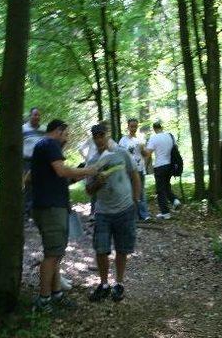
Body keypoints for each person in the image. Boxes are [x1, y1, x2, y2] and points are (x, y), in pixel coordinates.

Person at [30, 119, 97, 313]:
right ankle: (43, 300)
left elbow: (52, 177)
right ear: (58, 131)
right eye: (66, 134)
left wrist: (79, 173)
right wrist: (88, 170)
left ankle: (56, 294)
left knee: (56, 254)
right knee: (52, 255)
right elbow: (61, 171)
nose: (66, 139)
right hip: (51, 209)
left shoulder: (43, 147)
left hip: (49, 206)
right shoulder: (49, 144)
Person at [85, 124, 141, 302]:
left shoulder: (122, 153)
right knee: (101, 249)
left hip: (125, 208)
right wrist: (97, 183)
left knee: (122, 248)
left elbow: (134, 175)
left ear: (107, 135)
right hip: (103, 211)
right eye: (95, 136)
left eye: (101, 135)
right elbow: (89, 190)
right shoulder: (93, 160)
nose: (99, 139)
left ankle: (119, 283)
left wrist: (135, 200)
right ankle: (103, 284)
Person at [144, 121, 180, 219]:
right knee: (166, 186)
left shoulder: (153, 138)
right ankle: (175, 200)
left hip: (160, 166)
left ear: (154, 128)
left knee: (160, 190)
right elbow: (175, 148)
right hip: (170, 166)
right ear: (161, 127)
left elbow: (148, 153)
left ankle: (165, 213)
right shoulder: (170, 136)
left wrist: (145, 166)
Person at [118, 118, 150, 221]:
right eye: (132, 126)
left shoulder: (140, 139)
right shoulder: (123, 140)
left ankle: (144, 215)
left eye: (135, 126)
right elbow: (120, 155)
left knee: (140, 192)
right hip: (127, 170)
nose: (133, 128)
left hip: (139, 168)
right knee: (129, 192)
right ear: (128, 127)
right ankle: (133, 215)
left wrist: (143, 149)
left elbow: (146, 154)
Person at [23, 107, 45, 216]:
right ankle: (28, 210)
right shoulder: (23, 129)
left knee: (40, 184)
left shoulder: (44, 129)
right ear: (30, 116)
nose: (37, 117)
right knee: (28, 184)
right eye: (35, 115)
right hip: (27, 160)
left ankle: (38, 208)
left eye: (38, 115)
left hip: (41, 161)